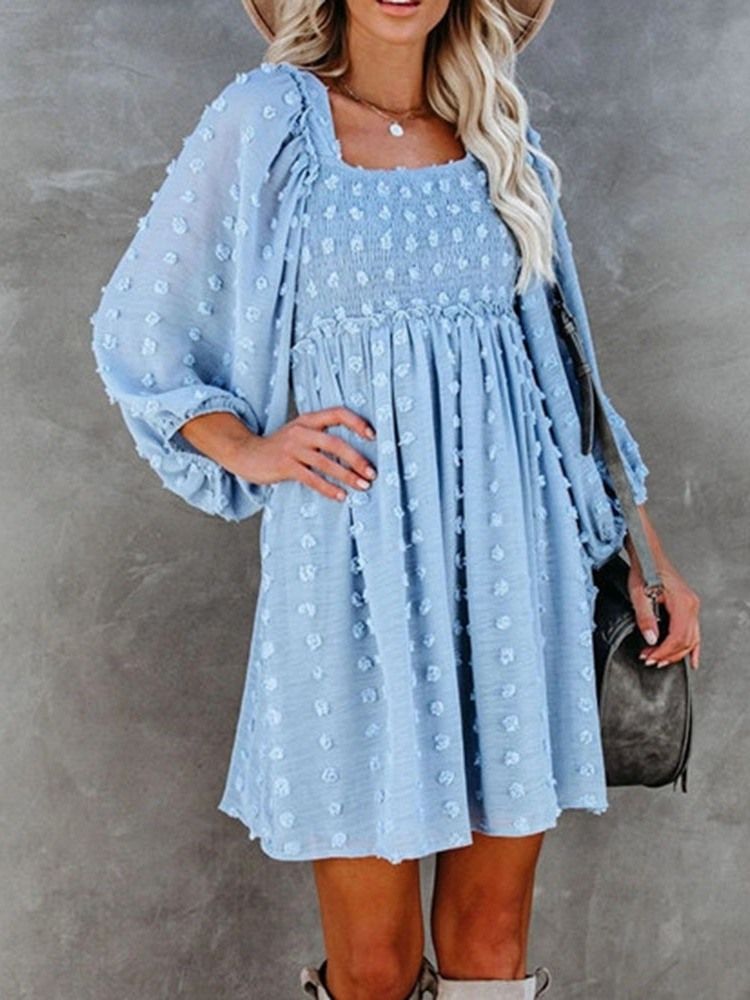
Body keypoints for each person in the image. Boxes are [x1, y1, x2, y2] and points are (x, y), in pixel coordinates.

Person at [89, 0, 702, 996]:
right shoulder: (269, 118)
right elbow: (137, 328)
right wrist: (249, 447)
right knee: (373, 965)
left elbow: (567, 379)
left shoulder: (496, 135)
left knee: (490, 941)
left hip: (512, 561)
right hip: (351, 575)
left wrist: (648, 557)